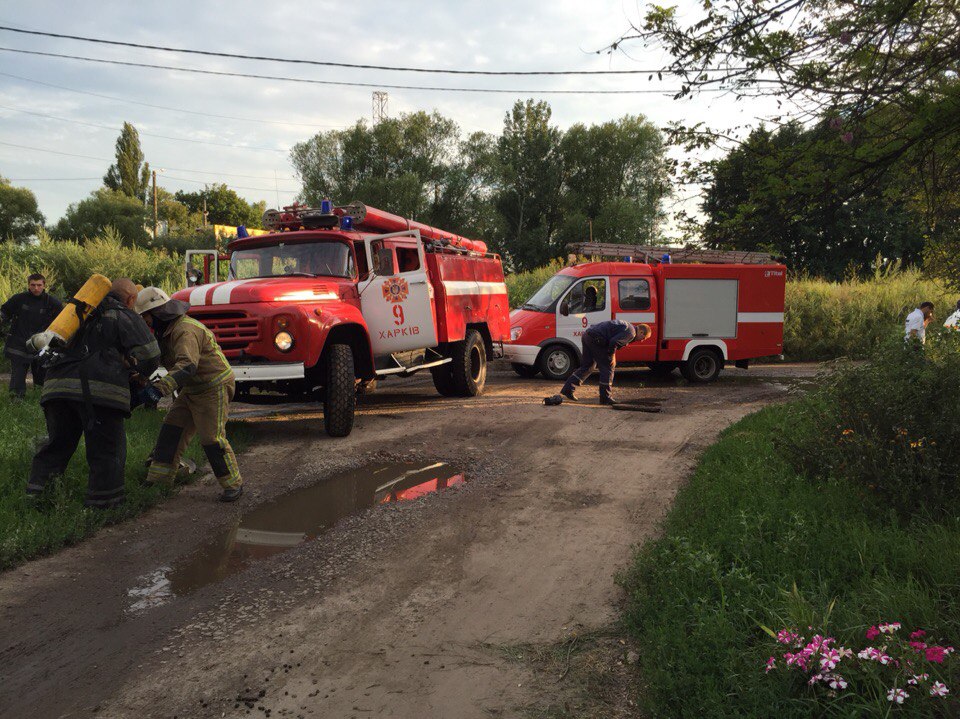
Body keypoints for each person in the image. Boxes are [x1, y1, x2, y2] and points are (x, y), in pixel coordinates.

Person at [27, 278, 160, 509]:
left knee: (57, 445)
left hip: (56, 389)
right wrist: (139, 373)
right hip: (99, 394)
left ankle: (36, 498)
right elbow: (150, 354)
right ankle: (104, 504)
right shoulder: (123, 315)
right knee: (106, 450)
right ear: (130, 299)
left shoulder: (74, 313)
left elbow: (42, 342)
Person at [135, 287, 243, 502]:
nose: (145, 323)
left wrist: (159, 390)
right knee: (171, 431)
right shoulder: (166, 331)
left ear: (157, 313)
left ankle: (233, 484)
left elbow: (187, 366)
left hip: (213, 386)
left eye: (145, 317)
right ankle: (159, 480)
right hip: (193, 388)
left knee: (211, 438)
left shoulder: (184, 330)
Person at [1, 273, 64, 398]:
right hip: (19, 344)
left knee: (41, 376)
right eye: (33, 285)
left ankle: (41, 401)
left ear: (44, 285)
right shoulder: (18, 299)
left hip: (42, 345)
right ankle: (16, 403)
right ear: (28, 285)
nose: (36, 288)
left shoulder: (53, 303)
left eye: (39, 285)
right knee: (17, 377)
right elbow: (5, 311)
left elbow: (61, 323)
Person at [559, 319, 650, 405]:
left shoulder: (628, 327)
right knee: (608, 367)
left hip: (588, 335)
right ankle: (605, 398)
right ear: (641, 332)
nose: (642, 340)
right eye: (643, 338)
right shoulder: (631, 333)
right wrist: (612, 356)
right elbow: (614, 342)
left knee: (588, 366)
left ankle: (568, 389)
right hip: (596, 339)